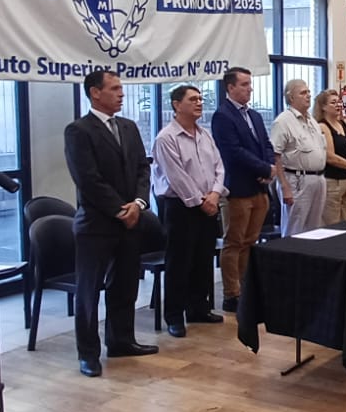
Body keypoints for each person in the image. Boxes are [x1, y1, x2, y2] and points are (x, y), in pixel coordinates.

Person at [64, 71, 157, 377]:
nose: (121, 94)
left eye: (121, 88)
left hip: (130, 221)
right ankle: (88, 353)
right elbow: (87, 178)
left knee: (125, 285)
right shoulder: (78, 130)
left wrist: (138, 204)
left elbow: (143, 169)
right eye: (115, 88)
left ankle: (121, 340)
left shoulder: (128, 127)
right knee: (89, 291)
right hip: (96, 224)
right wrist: (119, 209)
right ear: (95, 92)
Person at [151, 84, 227, 338]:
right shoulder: (166, 138)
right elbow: (177, 177)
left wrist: (215, 194)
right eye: (193, 99)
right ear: (176, 105)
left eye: (200, 99)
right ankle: (174, 315)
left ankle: (198, 308)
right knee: (179, 262)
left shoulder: (204, 134)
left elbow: (219, 167)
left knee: (203, 260)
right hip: (181, 207)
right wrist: (200, 200)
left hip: (209, 203)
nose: (199, 103)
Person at [211, 66, 275, 313]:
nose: (250, 89)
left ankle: (246, 288)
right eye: (244, 84)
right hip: (238, 188)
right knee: (234, 242)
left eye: (250, 84)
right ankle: (232, 293)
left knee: (250, 241)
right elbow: (233, 152)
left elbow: (266, 145)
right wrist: (263, 168)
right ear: (230, 87)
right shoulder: (223, 116)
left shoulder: (254, 115)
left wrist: (268, 167)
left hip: (259, 187)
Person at [270, 78, 327, 237]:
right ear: (291, 97)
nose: (308, 95)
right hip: (296, 180)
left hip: (318, 179)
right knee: (295, 227)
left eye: (308, 92)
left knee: (314, 230)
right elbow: (275, 155)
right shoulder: (283, 122)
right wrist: (284, 186)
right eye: (303, 93)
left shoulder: (312, 121)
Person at [316, 89, 346, 226]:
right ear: (323, 107)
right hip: (332, 181)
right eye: (333, 102)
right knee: (332, 222)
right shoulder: (323, 126)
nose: (338, 105)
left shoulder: (342, 123)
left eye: (339, 102)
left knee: (345, 221)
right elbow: (330, 157)